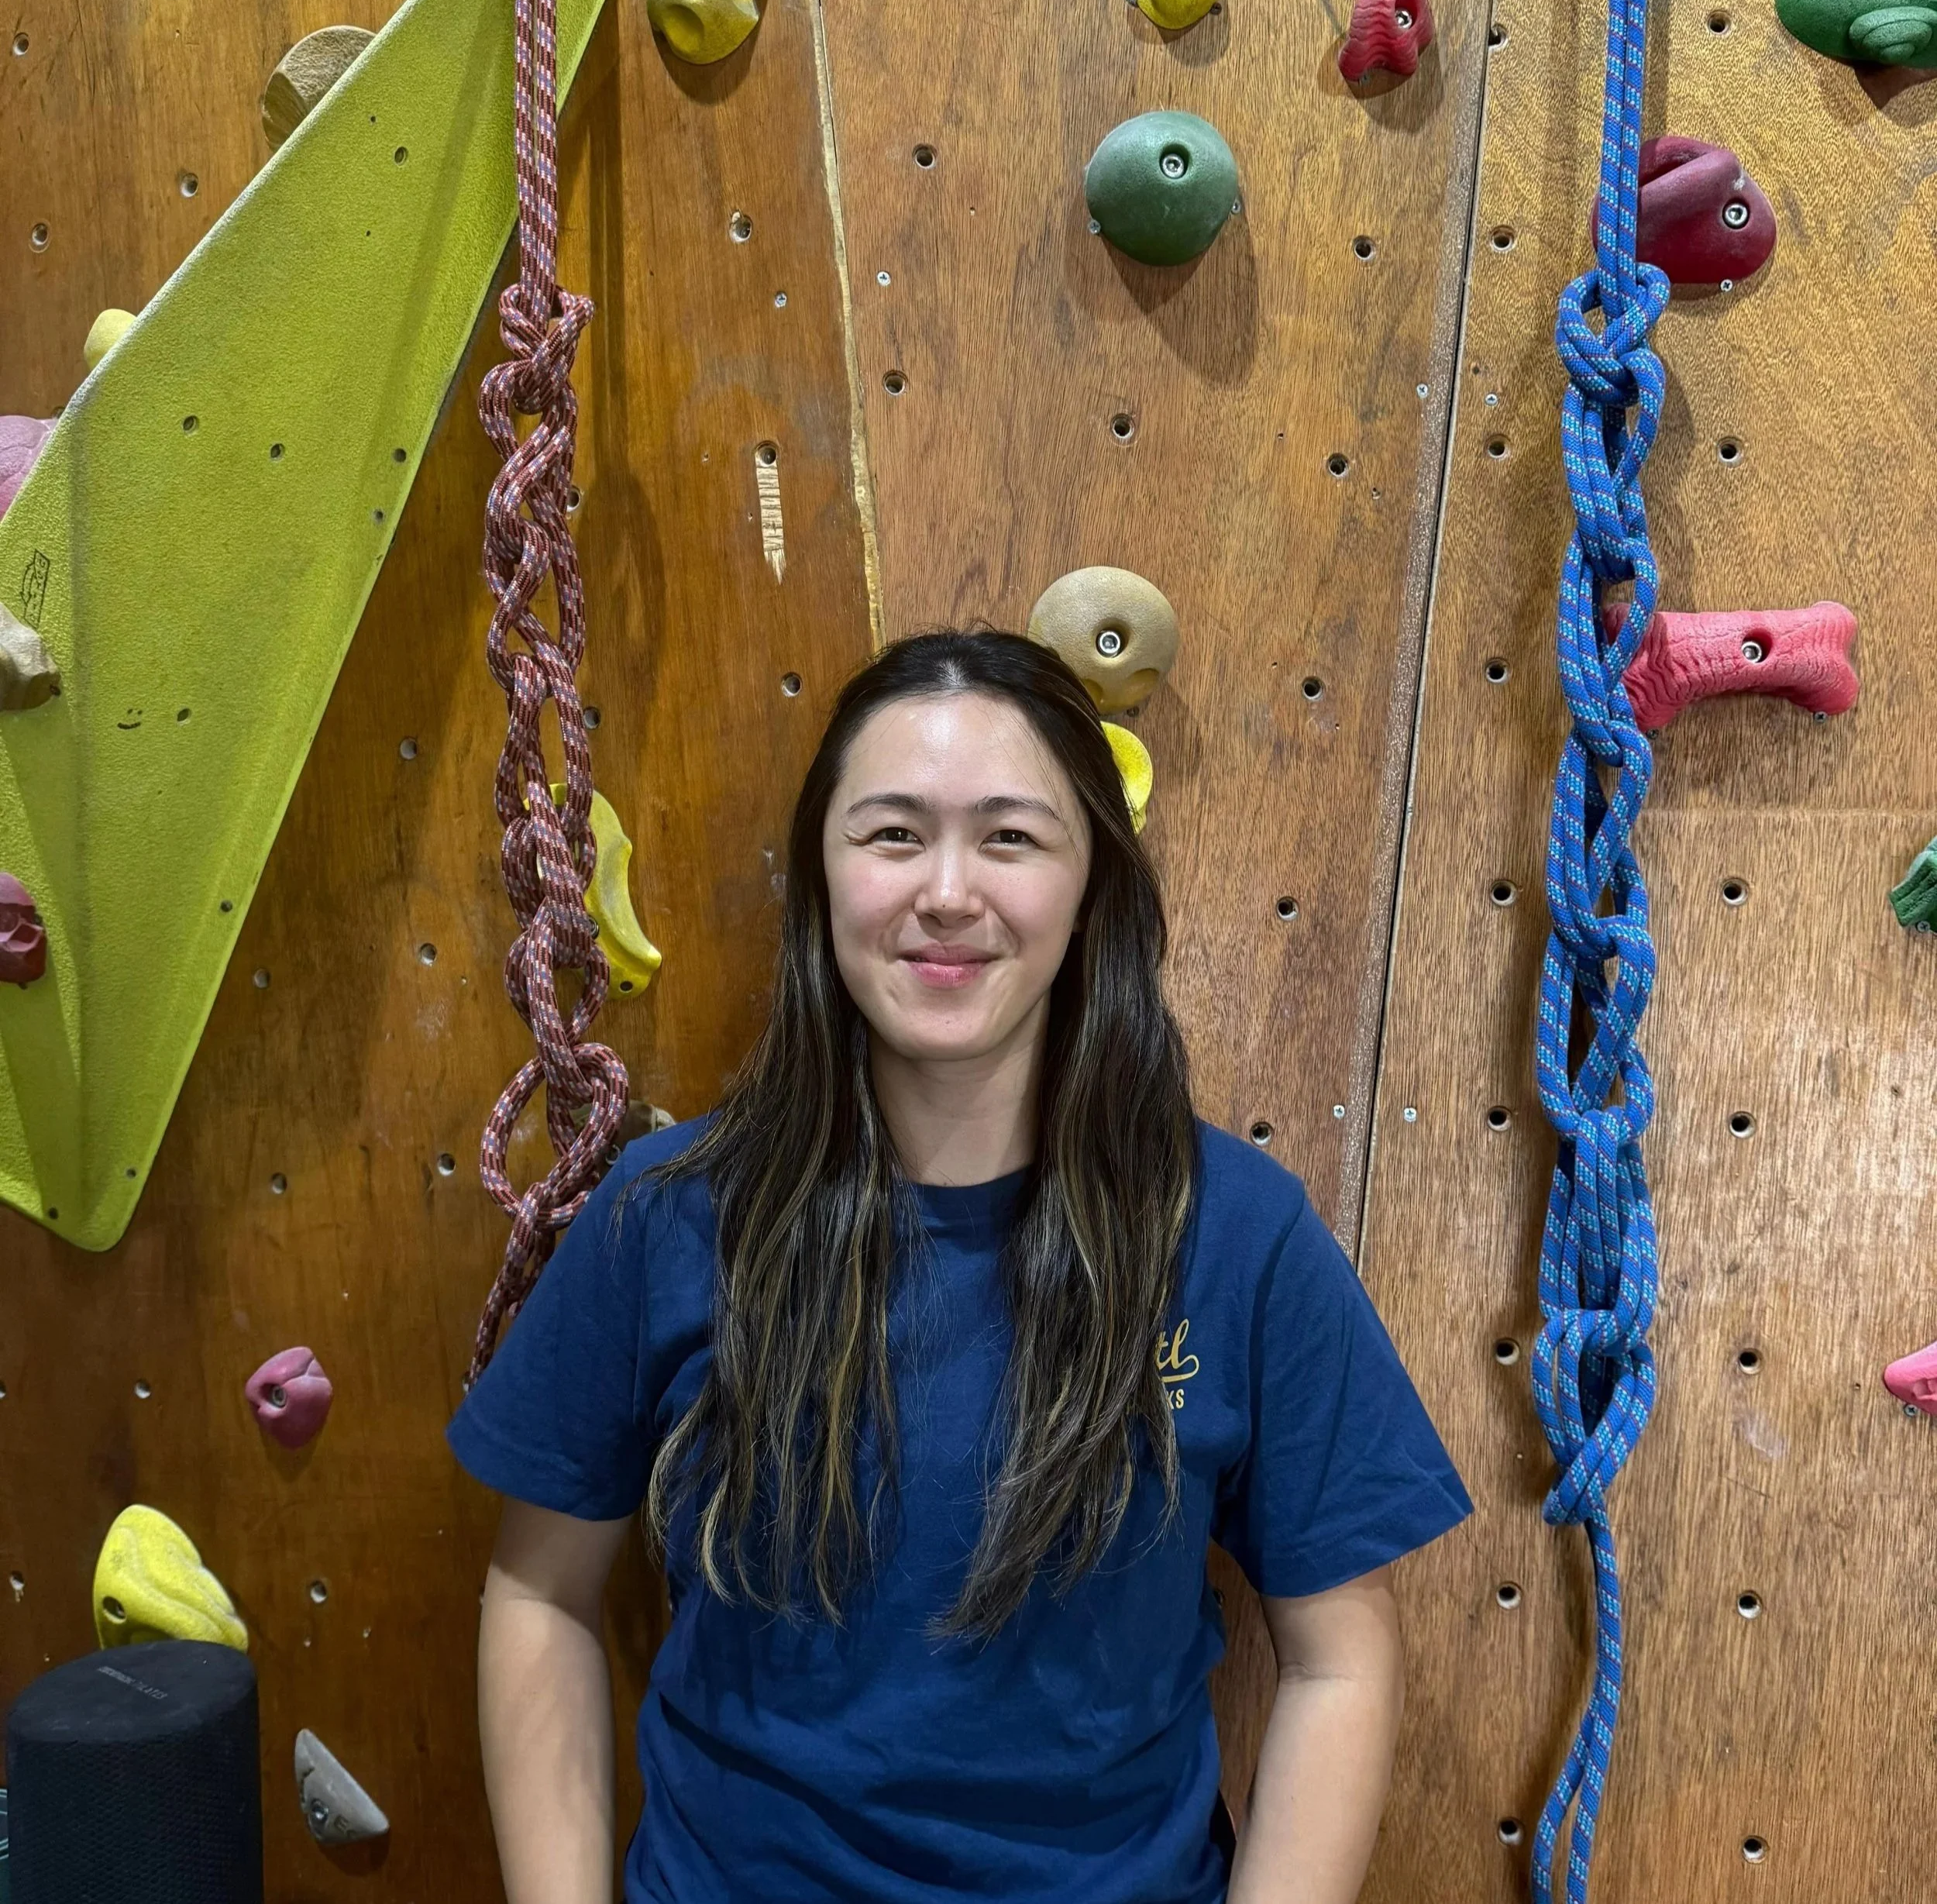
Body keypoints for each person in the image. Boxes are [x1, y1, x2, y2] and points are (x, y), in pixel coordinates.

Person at [447, 627, 1473, 1904]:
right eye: (891, 835)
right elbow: (537, 1595)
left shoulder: (1235, 1234)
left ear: (1092, 881)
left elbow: (1339, 1659)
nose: (946, 891)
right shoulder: (663, 1220)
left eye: (1009, 837)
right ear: (822, 878)